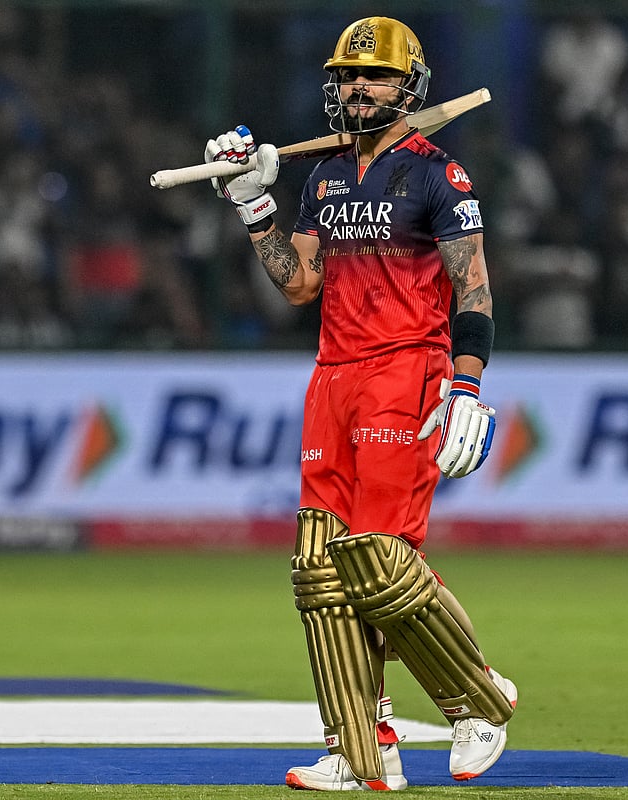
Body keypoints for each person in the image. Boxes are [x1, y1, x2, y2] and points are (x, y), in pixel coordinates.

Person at [200, 16, 516, 792]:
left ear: (409, 87)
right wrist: (251, 204)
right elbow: (300, 284)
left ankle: (476, 702)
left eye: (373, 76)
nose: (356, 88)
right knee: (320, 572)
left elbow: (472, 288)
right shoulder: (325, 178)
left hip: (406, 372)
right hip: (332, 376)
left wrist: (467, 386)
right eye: (346, 76)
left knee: (379, 561)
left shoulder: (440, 176)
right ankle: (359, 747)